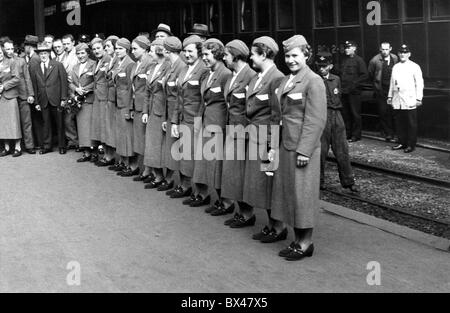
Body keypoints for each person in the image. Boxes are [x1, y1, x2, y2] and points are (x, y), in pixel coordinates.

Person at [271, 35, 327, 261]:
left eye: (295, 55)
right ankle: (296, 240)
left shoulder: (313, 81)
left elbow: (316, 120)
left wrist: (305, 151)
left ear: (306, 55)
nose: (291, 60)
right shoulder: (286, 80)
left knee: (303, 196)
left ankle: (305, 243)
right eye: (287, 56)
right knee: (289, 194)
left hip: (303, 148)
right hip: (286, 144)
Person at [238, 37, 285, 238]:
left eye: (253, 53)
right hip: (254, 136)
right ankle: (272, 226)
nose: (250, 57)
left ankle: (278, 228)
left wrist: (272, 145)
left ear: (264, 55)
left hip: (266, 139)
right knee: (260, 183)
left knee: (268, 183)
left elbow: (277, 115)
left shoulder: (276, 78)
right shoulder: (257, 77)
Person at [216, 39, 256, 218]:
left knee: (244, 174)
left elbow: (252, 108)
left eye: (226, 55)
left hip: (245, 133)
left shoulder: (251, 76)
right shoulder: (233, 75)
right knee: (234, 173)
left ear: (236, 56)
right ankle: (242, 211)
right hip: (233, 130)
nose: (224, 58)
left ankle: (247, 213)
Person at [191, 38, 231, 207]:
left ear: (217, 54)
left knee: (217, 164)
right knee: (204, 161)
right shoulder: (207, 74)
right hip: (207, 122)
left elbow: (229, 104)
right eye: (203, 54)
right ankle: (202, 194)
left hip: (219, 125)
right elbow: (203, 100)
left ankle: (225, 201)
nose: (204, 58)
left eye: (207, 54)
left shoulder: (225, 74)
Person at [169, 35, 209, 202]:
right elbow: (178, 97)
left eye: (190, 51)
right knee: (185, 155)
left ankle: (202, 193)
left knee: (196, 158)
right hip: (184, 118)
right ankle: (186, 186)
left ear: (199, 52)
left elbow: (204, 100)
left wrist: (199, 123)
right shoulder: (184, 69)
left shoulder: (204, 70)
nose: (186, 54)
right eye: (184, 51)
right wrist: (174, 121)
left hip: (196, 120)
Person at [315, 52, 359, 193]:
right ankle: (319, 182)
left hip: (337, 115)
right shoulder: (315, 80)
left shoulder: (336, 79)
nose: (322, 69)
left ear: (331, 66)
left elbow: (338, 95)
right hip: (322, 115)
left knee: (342, 150)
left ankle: (348, 182)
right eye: (319, 66)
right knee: (321, 152)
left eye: (324, 66)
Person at [141, 38, 171, 187]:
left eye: (151, 51)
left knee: (160, 145)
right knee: (152, 144)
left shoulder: (168, 67)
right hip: (152, 110)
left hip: (162, 110)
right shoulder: (152, 68)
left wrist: (167, 116)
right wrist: (145, 111)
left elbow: (168, 94)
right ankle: (157, 174)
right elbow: (147, 92)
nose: (149, 54)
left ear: (159, 52)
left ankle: (163, 177)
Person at [29, 42, 68, 154]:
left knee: (59, 123)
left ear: (49, 53)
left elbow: (64, 83)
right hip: (43, 100)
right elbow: (34, 86)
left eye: (45, 53)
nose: (43, 55)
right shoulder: (35, 67)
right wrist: (36, 102)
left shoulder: (58, 65)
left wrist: (63, 98)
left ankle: (62, 146)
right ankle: (47, 146)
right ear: (38, 55)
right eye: (41, 53)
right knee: (46, 123)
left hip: (56, 99)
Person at [159, 36, 185, 193]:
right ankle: (173, 181)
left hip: (179, 112)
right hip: (170, 111)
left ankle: (184, 185)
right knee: (172, 148)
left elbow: (178, 95)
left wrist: (174, 118)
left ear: (167, 50)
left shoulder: (180, 66)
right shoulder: (170, 65)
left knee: (180, 149)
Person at [388, 44, 424, 154]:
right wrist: (390, 96)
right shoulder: (396, 66)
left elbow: (419, 83)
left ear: (409, 54)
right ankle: (402, 142)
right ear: (398, 54)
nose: (402, 54)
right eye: (401, 53)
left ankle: (410, 144)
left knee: (411, 123)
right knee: (399, 122)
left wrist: (418, 98)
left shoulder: (414, 66)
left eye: (405, 53)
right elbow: (392, 83)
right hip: (397, 99)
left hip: (409, 99)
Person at [3, 39, 36, 154]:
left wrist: (31, 94)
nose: (10, 51)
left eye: (12, 48)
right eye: (7, 49)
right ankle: (10, 147)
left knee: (26, 121)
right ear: (3, 49)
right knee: (9, 122)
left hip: (22, 95)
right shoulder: (2, 61)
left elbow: (27, 78)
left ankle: (29, 145)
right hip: (8, 96)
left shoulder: (21, 60)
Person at [128, 35, 153, 179]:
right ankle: (143, 168)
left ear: (144, 49)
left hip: (145, 106)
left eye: (135, 49)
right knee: (139, 138)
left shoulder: (149, 63)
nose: (133, 51)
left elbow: (148, 90)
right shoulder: (136, 64)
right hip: (136, 105)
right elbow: (133, 88)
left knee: (146, 139)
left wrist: (145, 109)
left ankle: (148, 171)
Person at [69, 43, 96, 162]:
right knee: (82, 127)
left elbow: (97, 81)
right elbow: (70, 82)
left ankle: (94, 152)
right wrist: (76, 89)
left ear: (87, 53)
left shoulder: (93, 64)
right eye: (78, 53)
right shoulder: (75, 67)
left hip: (90, 99)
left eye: (82, 53)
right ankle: (86, 152)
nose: (80, 56)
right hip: (79, 101)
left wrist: (85, 90)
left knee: (91, 127)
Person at [112, 38, 136, 175]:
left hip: (125, 103)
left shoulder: (130, 64)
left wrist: (130, 107)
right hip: (119, 102)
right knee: (122, 134)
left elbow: (131, 88)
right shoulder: (118, 62)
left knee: (127, 135)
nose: (117, 51)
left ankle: (132, 165)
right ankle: (125, 162)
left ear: (127, 50)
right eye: (116, 48)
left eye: (120, 49)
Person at [368, 42, 398, 142]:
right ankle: (388, 133)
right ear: (380, 49)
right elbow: (371, 74)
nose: (385, 51)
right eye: (383, 49)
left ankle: (396, 133)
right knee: (383, 112)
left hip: (393, 90)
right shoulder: (374, 60)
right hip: (382, 90)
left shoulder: (395, 58)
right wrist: (377, 86)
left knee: (394, 111)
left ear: (390, 49)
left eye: (387, 49)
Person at [339, 40, 368, 143]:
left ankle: (356, 135)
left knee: (355, 114)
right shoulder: (344, 60)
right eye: (346, 48)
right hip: (344, 91)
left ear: (354, 48)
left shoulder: (359, 61)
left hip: (354, 92)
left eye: (348, 48)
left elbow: (364, 75)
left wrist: (354, 84)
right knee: (346, 114)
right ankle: (348, 134)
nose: (346, 49)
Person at [90, 37, 112, 166]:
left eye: (98, 48)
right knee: (101, 127)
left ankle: (109, 156)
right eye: (94, 49)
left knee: (106, 127)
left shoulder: (108, 60)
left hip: (105, 98)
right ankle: (105, 154)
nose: (96, 51)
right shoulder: (97, 61)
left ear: (104, 48)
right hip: (98, 97)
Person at [99, 35, 120, 168]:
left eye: (108, 46)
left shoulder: (118, 61)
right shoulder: (110, 60)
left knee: (112, 128)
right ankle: (109, 155)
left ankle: (112, 156)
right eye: (105, 46)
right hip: (107, 97)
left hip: (114, 98)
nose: (106, 48)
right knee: (107, 127)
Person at [0, 46, 22, 157]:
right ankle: (7, 147)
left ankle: (18, 147)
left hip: (10, 96)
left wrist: (4, 86)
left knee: (14, 122)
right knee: (3, 123)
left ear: (2, 52)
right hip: (0, 98)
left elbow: (17, 79)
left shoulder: (11, 62)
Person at [23, 35, 43, 148]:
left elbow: (34, 79)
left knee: (37, 119)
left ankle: (40, 143)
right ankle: (40, 142)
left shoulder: (34, 59)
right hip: (36, 94)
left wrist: (34, 96)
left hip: (35, 94)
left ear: (28, 46)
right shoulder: (34, 58)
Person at [62, 34, 79, 150]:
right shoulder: (63, 56)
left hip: (77, 88)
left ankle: (81, 142)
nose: (66, 46)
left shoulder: (77, 54)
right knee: (69, 118)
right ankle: (73, 140)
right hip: (67, 89)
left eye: (68, 43)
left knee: (79, 117)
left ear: (73, 43)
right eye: (64, 44)